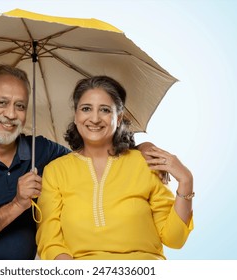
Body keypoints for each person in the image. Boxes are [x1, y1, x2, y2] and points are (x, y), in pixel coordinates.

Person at [0, 65, 163, 259]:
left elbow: (91, 153)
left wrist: (139, 149)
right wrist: (18, 204)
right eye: (1, 103)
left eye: (20, 105)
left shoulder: (40, 150)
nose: (11, 114)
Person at [36, 75, 194, 260]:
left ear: (118, 118)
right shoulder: (56, 171)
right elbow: (49, 238)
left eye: (104, 110)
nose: (94, 118)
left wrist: (186, 181)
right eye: (86, 109)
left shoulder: (145, 163)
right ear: (76, 116)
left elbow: (175, 239)